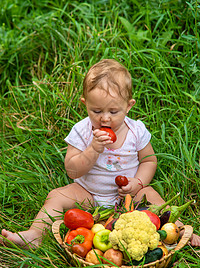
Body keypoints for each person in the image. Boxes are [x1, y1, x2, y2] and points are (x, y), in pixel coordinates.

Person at [1, 59, 199, 248]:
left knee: (151, 196)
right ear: (84, 104)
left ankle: (180, 229)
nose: (105, 118)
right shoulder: (82, 131)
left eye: (113, 112)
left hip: (128, 196)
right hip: (89, 194)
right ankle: (35, 234)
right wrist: (93, 149)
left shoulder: (136, 131)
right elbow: (72, 170)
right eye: (96, 111)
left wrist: (137, 183)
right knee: (56, 196)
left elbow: (148, 160)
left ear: (128, 106)